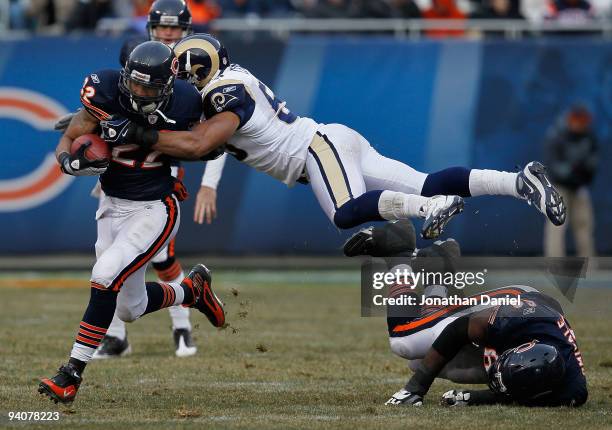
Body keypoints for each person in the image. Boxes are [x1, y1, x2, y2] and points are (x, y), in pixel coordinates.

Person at [122, 33, 566, 242]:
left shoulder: (223, 93)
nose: (174, 82)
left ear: (198, 71)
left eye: (180, 73)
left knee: (346, 214)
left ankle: (429, 209)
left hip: (316, 149)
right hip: (329, 140)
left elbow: (200, 144)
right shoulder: (227, 80)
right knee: (427, 179)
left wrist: (141, 135)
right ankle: (518, 181)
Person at [38, 41, 226, 405]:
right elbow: (71, 136)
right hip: (111, 205)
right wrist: (67, 162)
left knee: (105, 274)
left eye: (148, 87)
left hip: (155, 207)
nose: (139, 93)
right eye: (134, 85)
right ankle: (192, 291)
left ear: (167, 86)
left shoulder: (186, 101)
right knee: (129, 307)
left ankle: (71, 374)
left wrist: (141, 134)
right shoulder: (106, 90)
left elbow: (203, 146)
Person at [381, 236, 587, 407]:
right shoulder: (514, 320)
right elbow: (458, 329)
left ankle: (437, 272)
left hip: (528, 328)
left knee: (436, 367)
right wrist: (416, 388)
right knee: (406, 341)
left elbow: (519, 393)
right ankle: (400, 254)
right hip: (518, 301)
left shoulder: (572, 391)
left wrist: (474, 397)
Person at [543, 105, 598, 257]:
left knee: (584, 224)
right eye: (576, 119)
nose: (579, 124)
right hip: (559, 187)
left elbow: (592, 163)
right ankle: (555, 262)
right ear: (570, 119)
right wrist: (572, 170)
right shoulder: (557, 135)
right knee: (556, 225)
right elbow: (553, 165)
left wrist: (581, 173)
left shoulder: (589, 137)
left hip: (580, 187)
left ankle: (588, 262)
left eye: (582, 120)